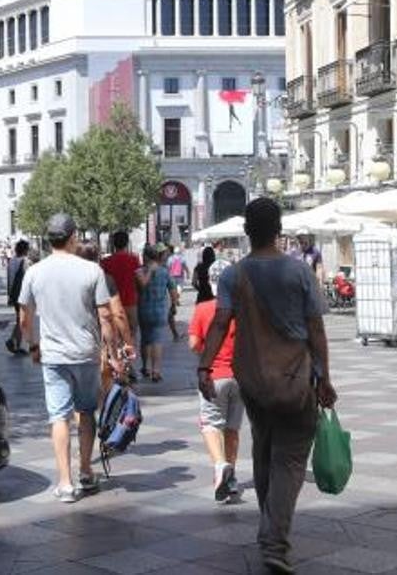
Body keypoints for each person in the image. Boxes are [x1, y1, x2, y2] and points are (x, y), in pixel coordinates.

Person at [198, 198, 337, 575]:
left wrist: (205, 367)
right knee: (289, 459)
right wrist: (324, 376)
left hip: (254, 381)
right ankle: (274, 540)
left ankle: (269, 525)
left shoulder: (234, 275)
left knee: (263, 448)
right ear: (279, 230)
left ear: (247, 231)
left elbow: (220, 322)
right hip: (294, 380)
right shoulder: (300, 272)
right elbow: (316, 329)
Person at [19, 214, 117, 503]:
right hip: (86, 353)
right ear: (73, 237)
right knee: (86, 412)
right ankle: (86, 470)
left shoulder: (34, 272)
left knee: (59, 416)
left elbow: (24, 317)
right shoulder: (92, 270)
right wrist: (111, 353)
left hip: (54, 355)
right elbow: (106, 316)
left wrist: (33, 345)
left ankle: (65, 482)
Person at [189, 294, 243, 502]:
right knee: (232, 429)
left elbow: (194, 343)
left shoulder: (203, 308)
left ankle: (220, 466)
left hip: (214, 376)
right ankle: (231, 479)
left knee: (210, 425)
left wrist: (206, 352)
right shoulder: (242, 308)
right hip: (239, 377)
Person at [78, 241, 137, 396]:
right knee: (105, 388)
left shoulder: (67, 280)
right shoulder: (103, 278)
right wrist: (128, 342)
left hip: (71, 343)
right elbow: (118, 314)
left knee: (78, 395)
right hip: (99, 342)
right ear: (97, 257)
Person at [136, 244, 177, 382]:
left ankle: (145, 367)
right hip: (160, 311)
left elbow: (139, 288)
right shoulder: (164, 272)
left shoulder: (138, 272)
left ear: (145, 257)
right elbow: (173, 290)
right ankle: (156, 371)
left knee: (145, 339)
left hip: (143, 310)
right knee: (157, 340)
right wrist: (173, 305)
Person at [101, 231, 141, 371]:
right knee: (131, 334)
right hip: (130, 302)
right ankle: (129, 365)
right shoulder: (133, 260)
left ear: (113, 244)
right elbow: (139, 280)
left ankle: (118, 364)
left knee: (115, 335)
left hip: (111, 303)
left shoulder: (105, 262)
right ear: (127, 243)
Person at [6, 240, 31, 355]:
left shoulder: (11, 261)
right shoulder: (25, 262)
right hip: (23, 295)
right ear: (25, 250)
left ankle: (16, 344)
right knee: (22, 319)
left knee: (20, 319)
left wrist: (10, 295)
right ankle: (12, 341)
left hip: (14, 294)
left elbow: (10, 279)